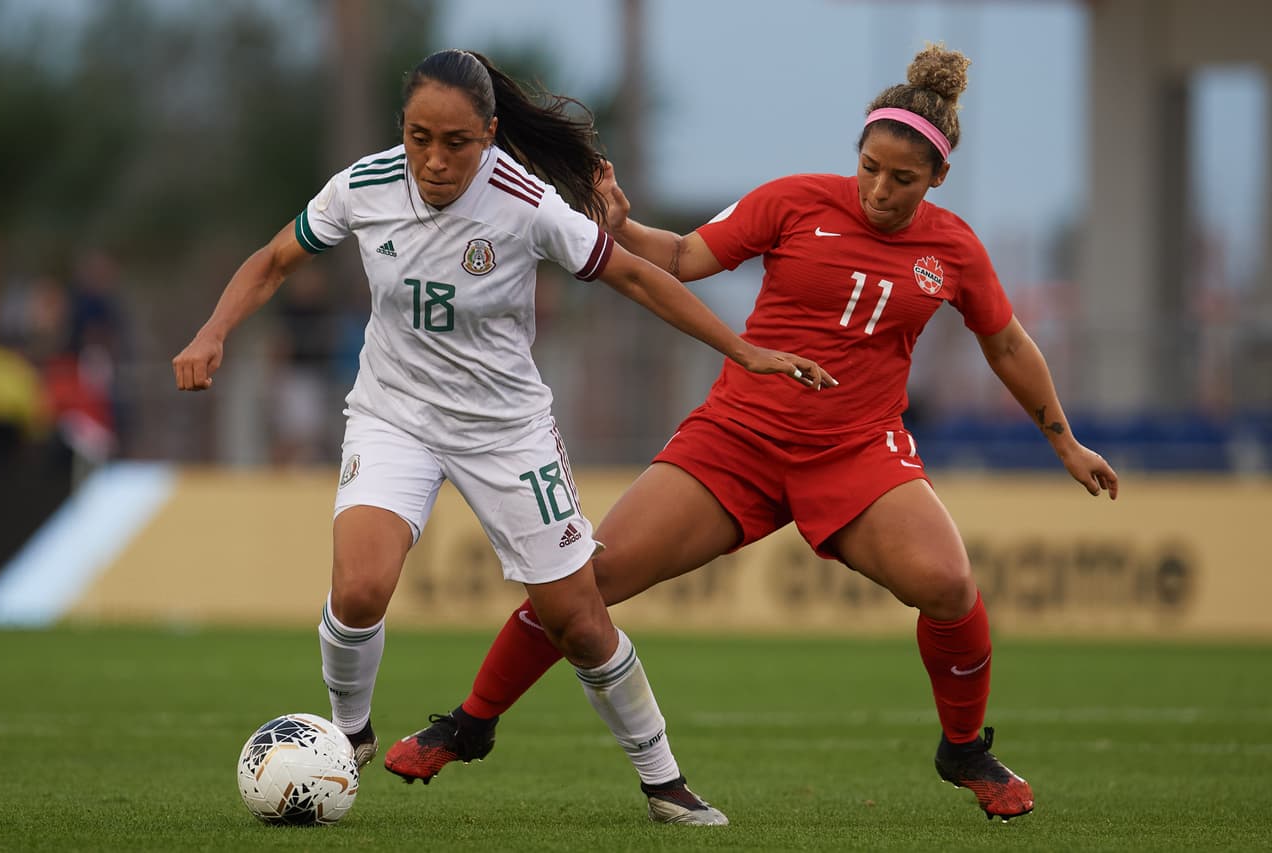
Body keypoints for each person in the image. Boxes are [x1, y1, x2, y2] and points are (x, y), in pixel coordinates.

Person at [395, 43, 1120, 823]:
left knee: (949, 585)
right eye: (870, 166)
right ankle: (470, 723)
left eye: (902, 179)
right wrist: (622, 224)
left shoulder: (955, 251)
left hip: (855, 452)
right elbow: (684, 257)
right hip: (737, 440)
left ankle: (965, 748)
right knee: (585, 583)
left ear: (937, 180)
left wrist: (1063, 440)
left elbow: (1006, 343)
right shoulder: (794, 201)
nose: (879, 189)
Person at [172, 48, 831, 826]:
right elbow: (276, 258)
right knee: (357, 589)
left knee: (577, 620)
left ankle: (664, 781)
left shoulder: (527, 203)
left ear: (489, 134)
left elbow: (633, 276)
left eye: (456, 142)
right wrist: (214, 330)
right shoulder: (363, 185)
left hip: (506, 431)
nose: (435, 159)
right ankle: (348, 739)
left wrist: (744, 350)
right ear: (402, 130)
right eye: (419, 137)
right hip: (394, 416)